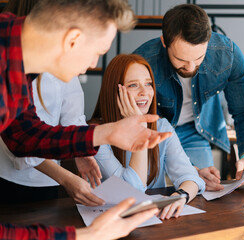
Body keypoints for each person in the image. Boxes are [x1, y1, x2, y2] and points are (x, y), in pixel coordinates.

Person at [0, 0, 171, 239]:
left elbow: (23, 134)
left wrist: (105, 133)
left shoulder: (17, 58)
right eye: (98, 53)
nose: (92, 66)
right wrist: (88, 236)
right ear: (73, 40)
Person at [134, 4, 244, 191]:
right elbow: (134, 122)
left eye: (199, 57)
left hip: (196, 132)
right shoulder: (143, 61)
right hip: (154, 133)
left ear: (208, 42)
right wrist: (187, 170)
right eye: (181, 60)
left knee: (202, 191)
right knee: (151, 192)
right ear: (164, 42)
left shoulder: (228, 56)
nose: (191, 67)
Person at [0, 0, 103, 206]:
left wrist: (79, 152)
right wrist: (64, 176)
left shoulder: (65, 62)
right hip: (10, 178)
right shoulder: (13, 66)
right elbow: (22, 140)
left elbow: (72, 114)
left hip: (48, 180)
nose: (92, 64)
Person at [91, 54, 205, 220]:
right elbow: (131, 191)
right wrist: (140, 127)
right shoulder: (96, 134)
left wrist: (180, 196)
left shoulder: (162, 126)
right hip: (108, 224)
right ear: (115, 91)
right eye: (133, 85)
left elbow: (190, 177)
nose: (145, 92)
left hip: (151, 223)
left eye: (148, 84)